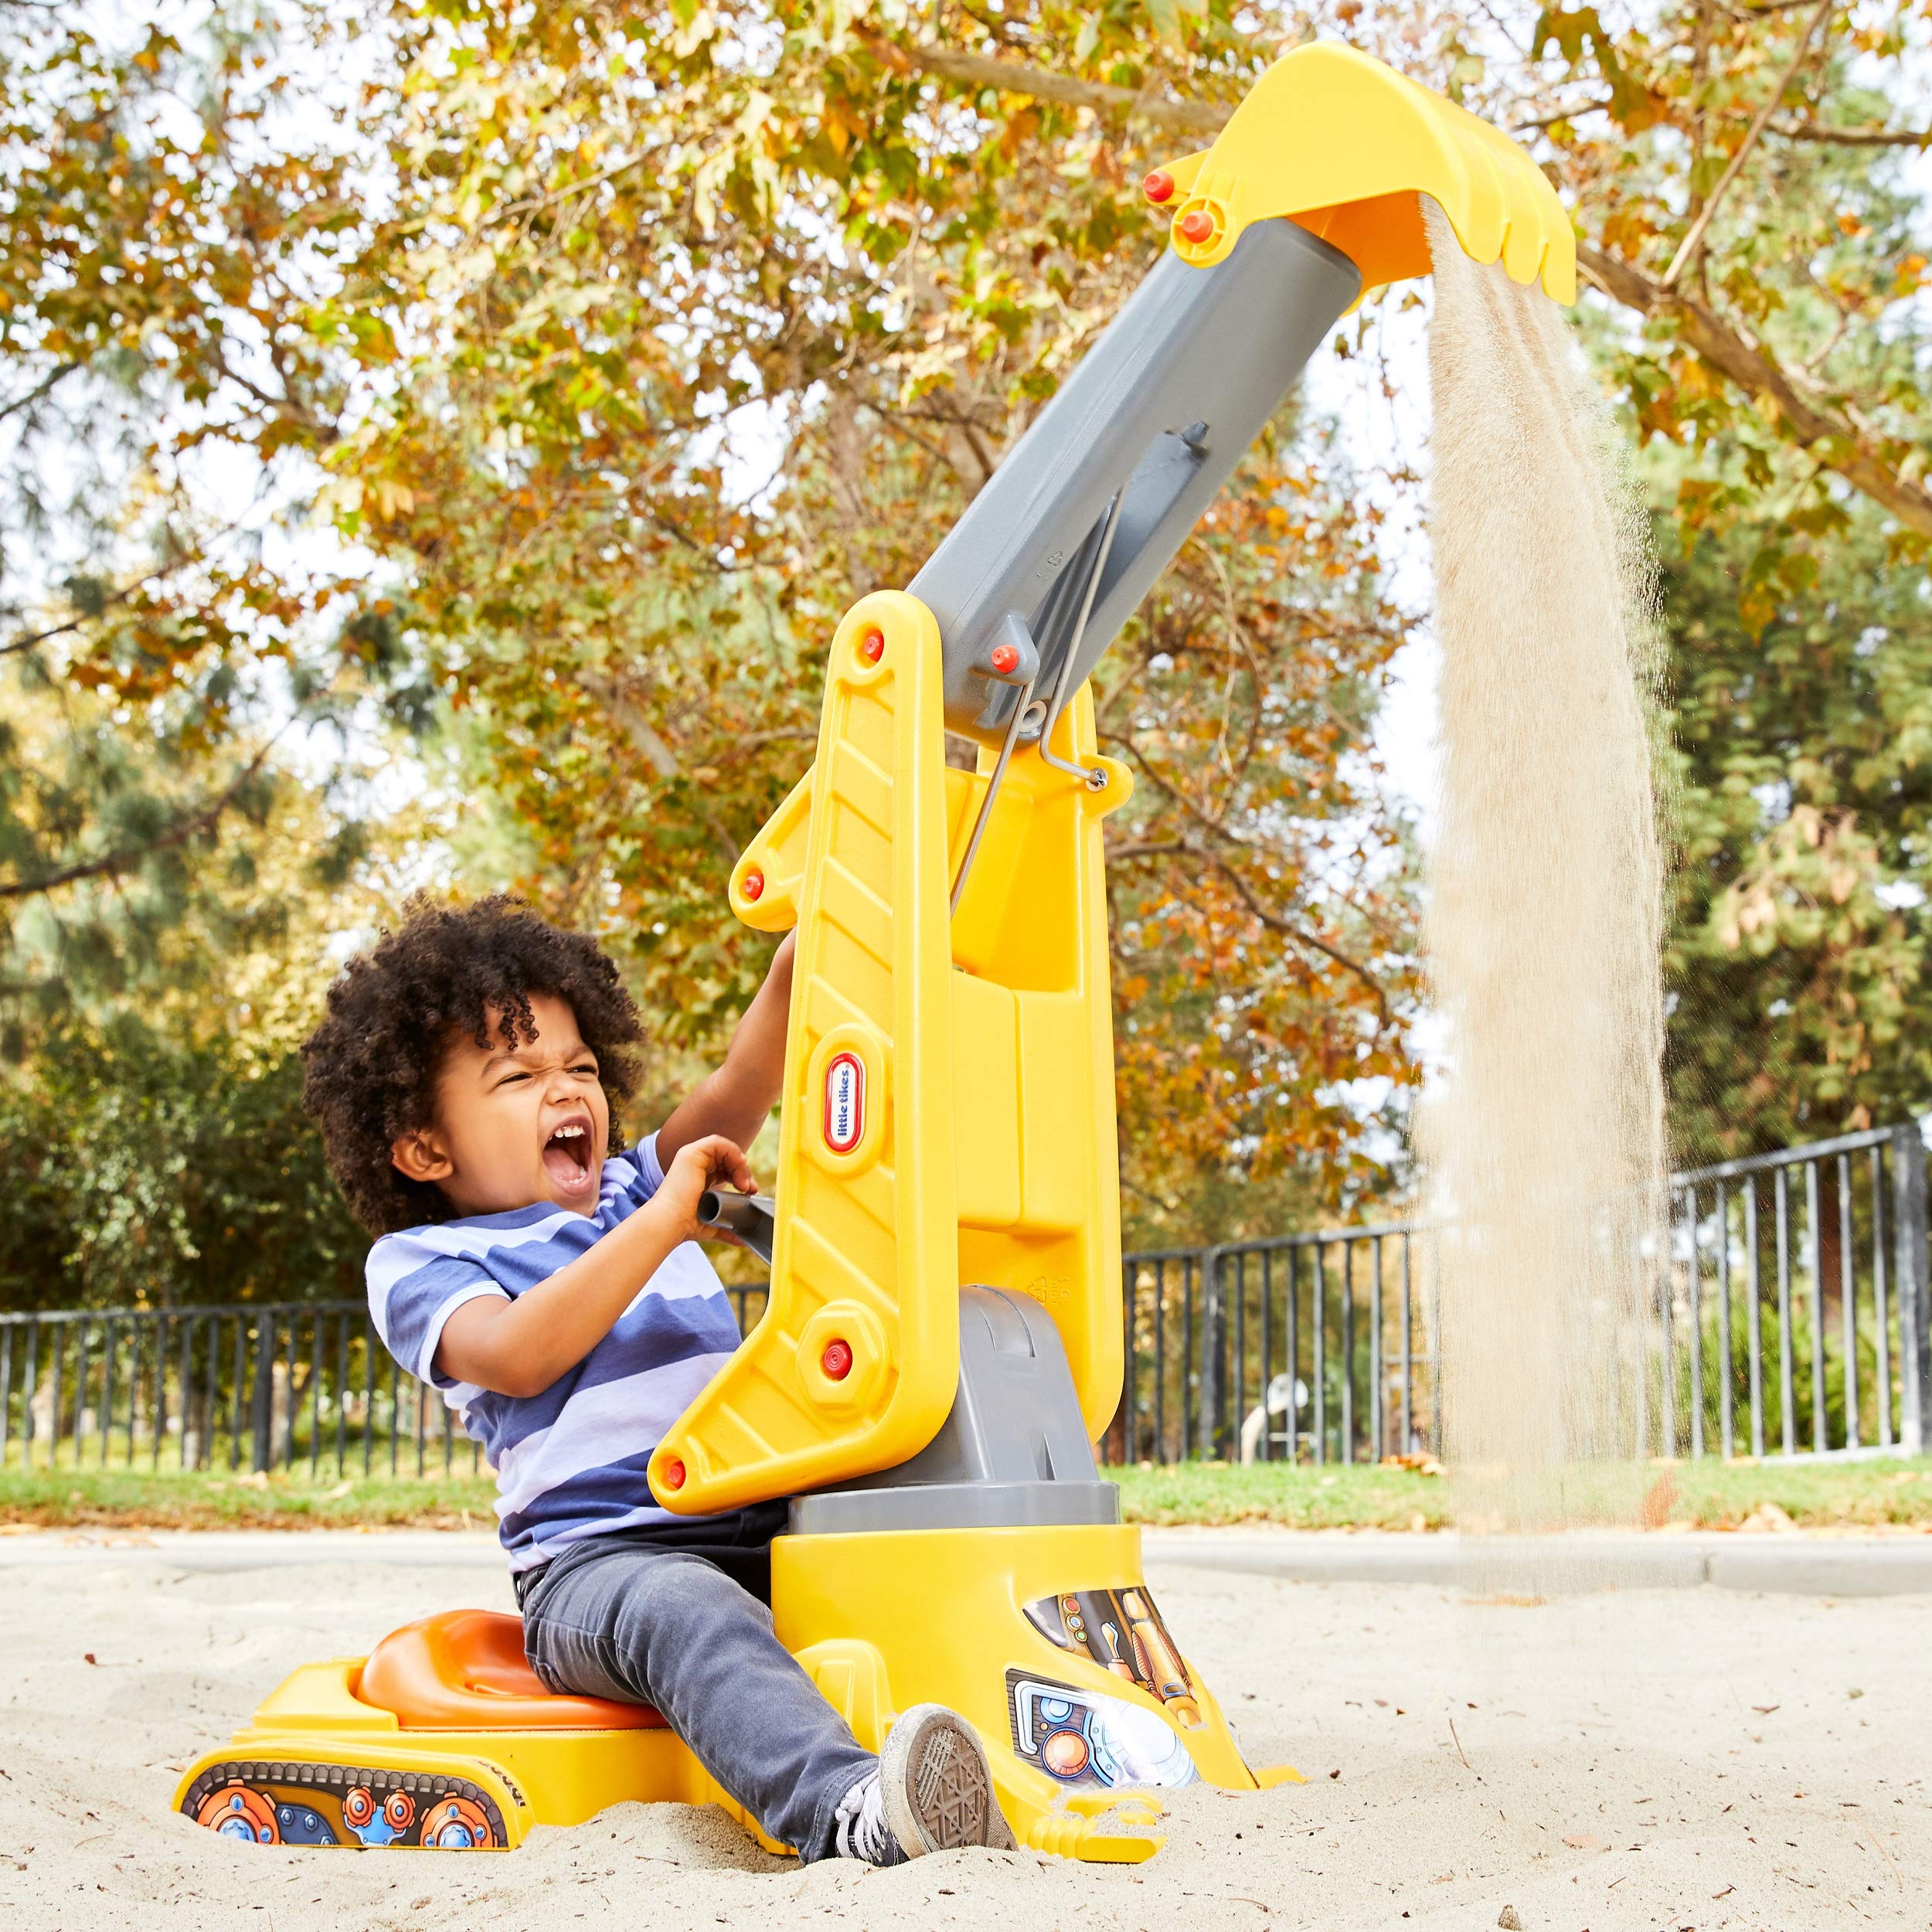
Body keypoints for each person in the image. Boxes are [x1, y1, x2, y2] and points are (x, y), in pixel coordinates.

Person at [300, 894, 1003, 1865]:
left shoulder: (633, 1187)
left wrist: (793, 977)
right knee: (687, 1612)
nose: (567, 1090)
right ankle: (848, 1813)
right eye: (519, 1075)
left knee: (899, 1523)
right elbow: (517, 1353)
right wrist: (664, 1219)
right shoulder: (425, 1261)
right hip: (600, 1568)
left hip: (755, 1521)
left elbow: (740, 1083)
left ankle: (996, 1754)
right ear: (426, 1146)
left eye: (582, 1066)